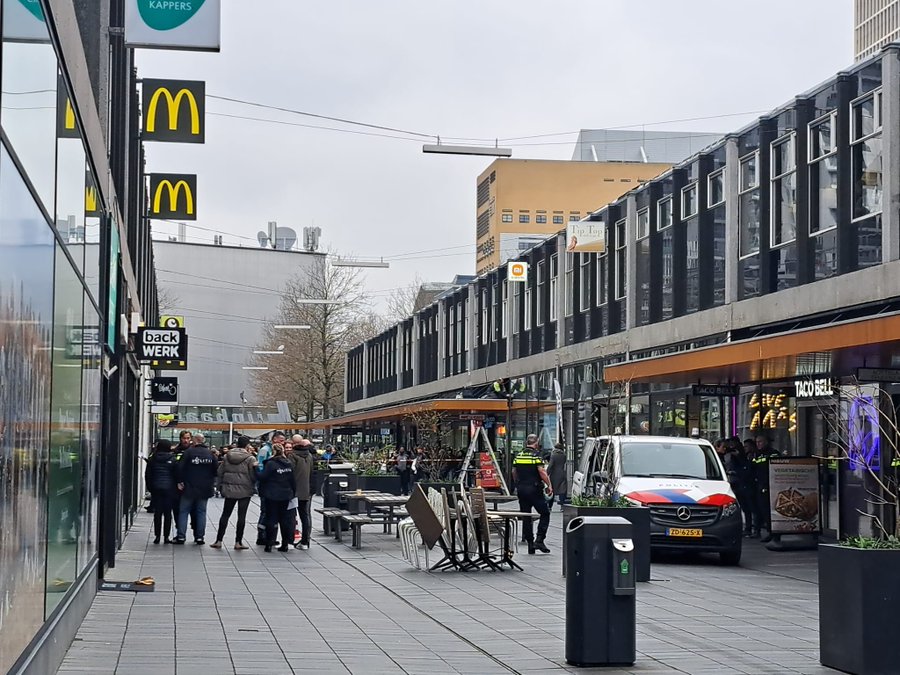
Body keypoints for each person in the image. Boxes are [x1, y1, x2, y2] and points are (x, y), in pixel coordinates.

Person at [211, 436, 258, 550]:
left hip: (229, 489)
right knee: (241, 516)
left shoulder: (227, 456)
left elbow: (220, 471)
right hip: (245, 490)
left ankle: (218, 540)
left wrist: (220, 486)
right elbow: (253, 475)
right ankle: (238, 542)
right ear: (247, 446)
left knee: (225, 514)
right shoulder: (250, 458)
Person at [512, 434, 553, 554]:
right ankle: (539, 539)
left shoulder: (518, 456)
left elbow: (514, 472)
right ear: (536, 443)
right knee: (545, 513)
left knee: (526, 515)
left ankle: (530, 543)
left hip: (522, 489)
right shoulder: (536, 456)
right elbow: (542, 472)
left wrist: (518, 483)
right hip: (534, 489)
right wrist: (549, 485)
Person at [174, 433, 217, 545]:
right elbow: (215, 470)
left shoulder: (189, 452)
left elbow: (180, 467)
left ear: (194, 440)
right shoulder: (210, 454)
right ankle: (199, 537)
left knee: (183, 511)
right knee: (201, 512)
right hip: (205, 488)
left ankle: (181, 536)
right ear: (203, 441)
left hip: (189, 487)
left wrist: (180, 481)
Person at [258, 444, 296, 553]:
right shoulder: (288, 464)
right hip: (286, 495)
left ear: (273, 452)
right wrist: (293, 493)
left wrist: (255, 469)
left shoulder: (271, 464)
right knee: (284, 520)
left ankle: (269, 543)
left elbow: (262, 477)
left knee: (271, 519)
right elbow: (292, 480)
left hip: (272, 495)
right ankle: (285, 544)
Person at [145, 439, 179, 544]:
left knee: (158, 513)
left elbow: (148, 475)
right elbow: (176, 475)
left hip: (156, 488)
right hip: (169, 489)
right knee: (168, 514)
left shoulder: (152, 459)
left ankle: (157, 536)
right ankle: (166, 537)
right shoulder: (173, 459)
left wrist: (150, 488)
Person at [749, 434, 781, 542]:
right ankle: (767, 531)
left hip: (771, 485)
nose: (758, 444)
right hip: (759, 485)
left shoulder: (773, 454)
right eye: (757, 442)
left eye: (760, 442)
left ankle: (774, 533)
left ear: (766, 442)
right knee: (761, 510)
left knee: (770, 510)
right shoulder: (756, 455)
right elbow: (752, 468)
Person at [256, 431, 285, 545]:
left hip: (273, 485)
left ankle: (269, 536)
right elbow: (261, 466)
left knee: (270, 511)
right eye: (281, 440)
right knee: (265, 511)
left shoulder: (273, 451)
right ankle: (262, 536)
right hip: (267, 485)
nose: (283, 443)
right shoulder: (265, 450)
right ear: (274, 440)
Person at [724, 437, 755, 537]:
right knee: (741, 507)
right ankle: (746, 527)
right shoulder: (739, 455)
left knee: (747, 507)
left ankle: (749, 528)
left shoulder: (743, 456)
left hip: (743, 483)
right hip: (737, 483)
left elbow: (746, 469)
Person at [288, 435, 314, 550]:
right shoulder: (309, 456)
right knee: (305, 516)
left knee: (290, 516)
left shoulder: (292, 456)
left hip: (293, 491)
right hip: (306, 490)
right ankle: (305, 541)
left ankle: (288, 540)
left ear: (294, 444)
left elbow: (290, 473)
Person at [546, 442, 568, 510]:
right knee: (562, 490)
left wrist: (547, 473)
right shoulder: (564, 455)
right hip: (562, 473)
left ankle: (550, 506)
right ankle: (562, 505)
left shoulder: (553, 455)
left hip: (554, 474)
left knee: (552, 490)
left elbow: (551, 465)